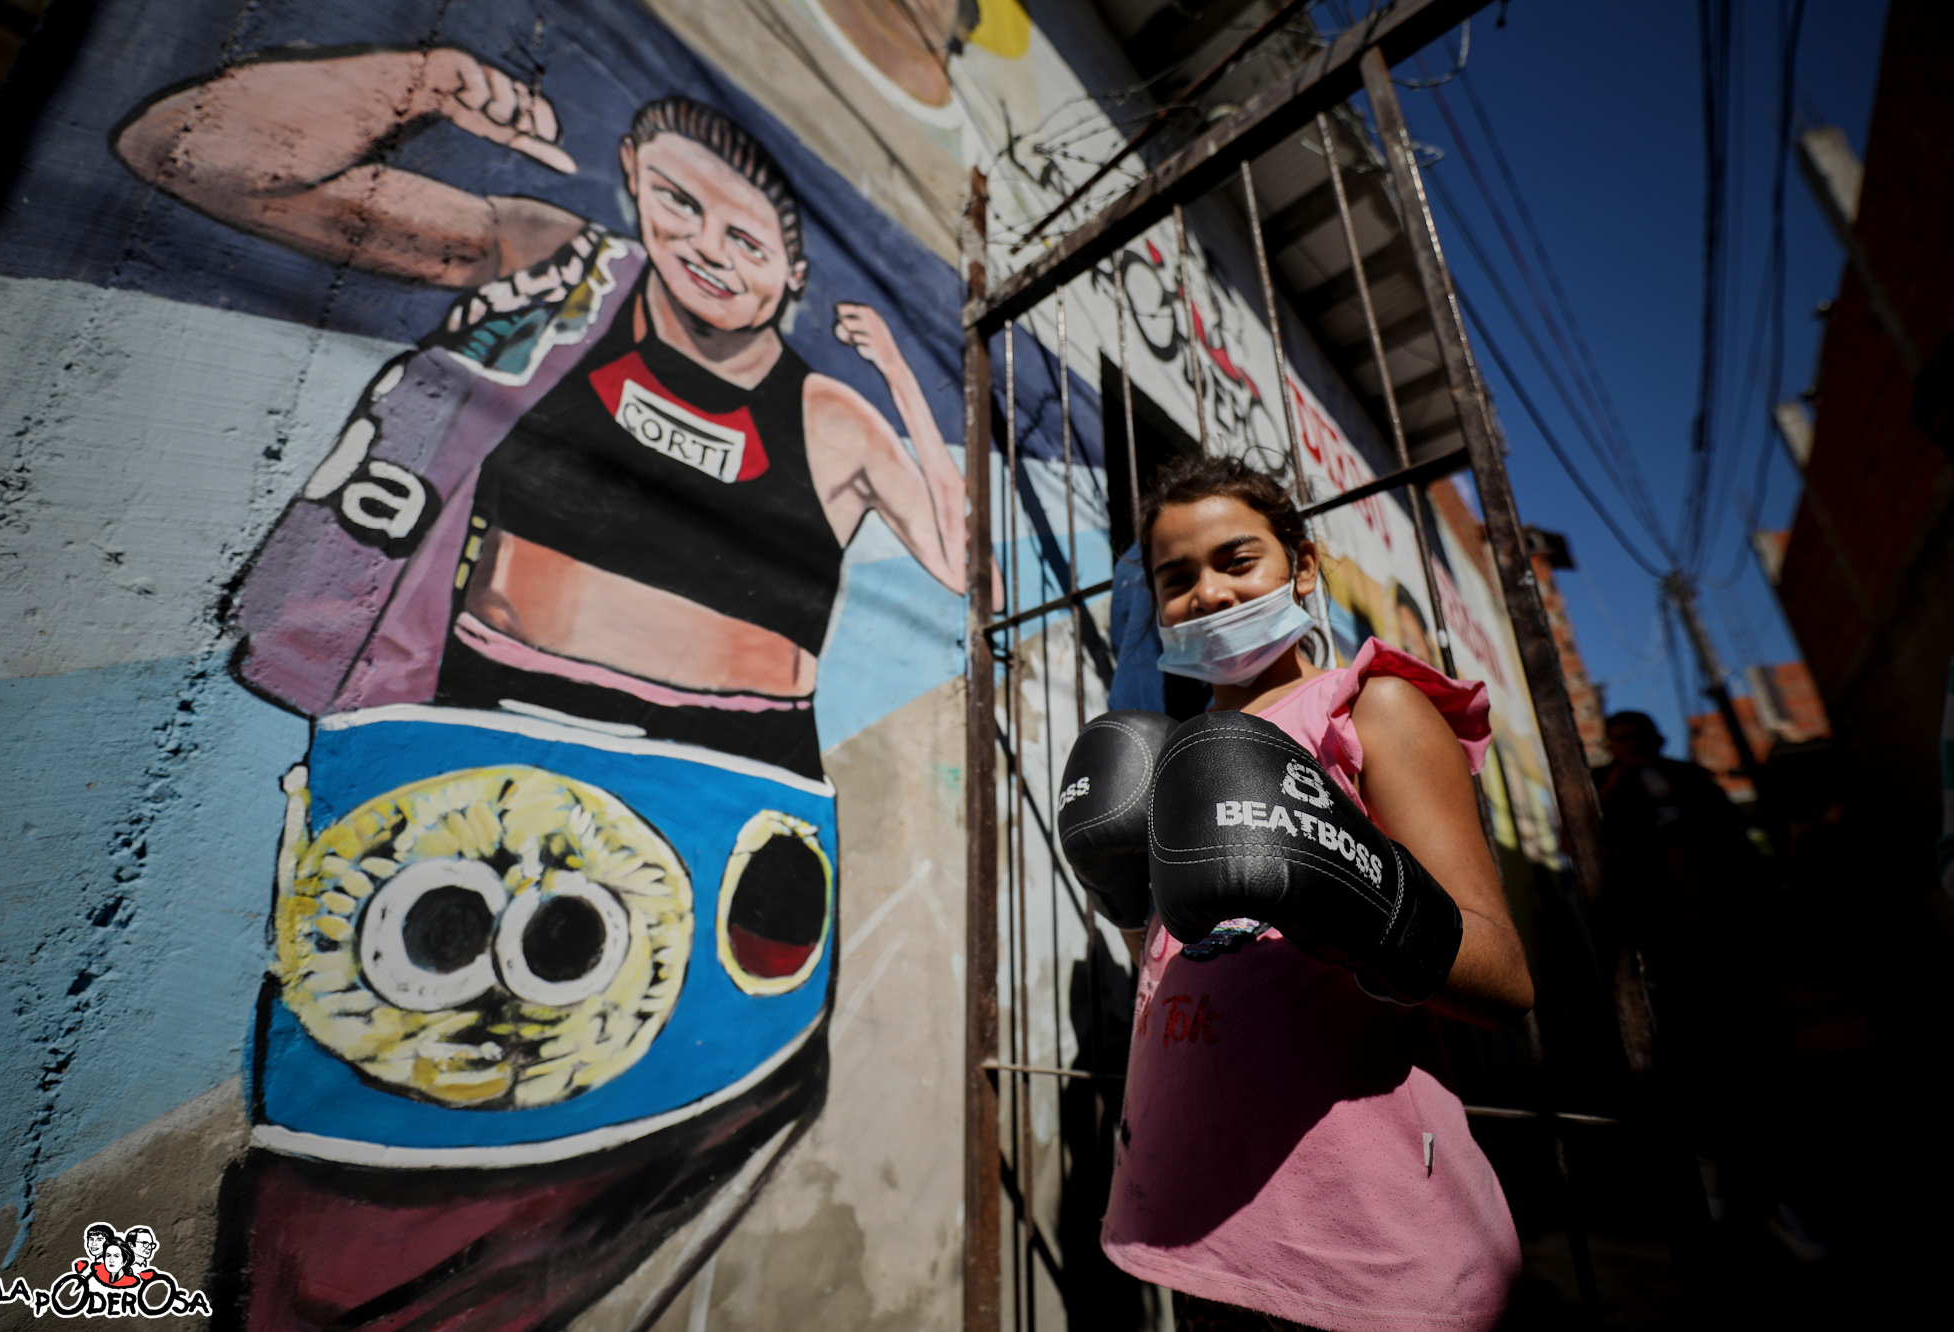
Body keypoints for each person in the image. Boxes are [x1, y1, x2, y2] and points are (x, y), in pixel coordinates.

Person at [111, 48, 977, 1328]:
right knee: (358, 1186)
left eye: (747, 236)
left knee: (623, 1181)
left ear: (793, 275)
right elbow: (192, 157)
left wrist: (902, 375)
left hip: (725, 837)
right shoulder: (556, 278)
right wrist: (418, 81)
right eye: (677, 203)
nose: (708, 246)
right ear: (631, 191)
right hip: (450, 787)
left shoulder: (834, 419)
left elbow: (963, 562)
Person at [1089, 455, 1532, 1332]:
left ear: (1301, 566)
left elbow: (1504, 978)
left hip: (1360, 1244)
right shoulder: (1170, 758)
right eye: (1177, 578)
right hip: (1200, 1232)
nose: (1210, 594)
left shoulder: (1369, 708)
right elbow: (1187, 953)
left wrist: (1355, 900)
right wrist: (1121, 891)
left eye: (1236, 559)